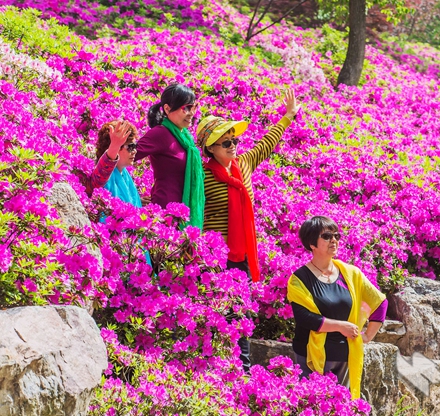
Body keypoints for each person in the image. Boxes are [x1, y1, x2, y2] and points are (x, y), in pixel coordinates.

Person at [195, 88, 300, 372]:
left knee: (238, 314)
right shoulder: (201, 173)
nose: (232, 145)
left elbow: (266, 144)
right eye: (224, 141)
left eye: (234, 140)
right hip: (215, 258)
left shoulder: (243, 165)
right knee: (220, 314)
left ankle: (241, 369)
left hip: (240, 257)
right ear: (210, 148)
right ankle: (219, 368)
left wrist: (287, 117)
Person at [287, 216, 387, 399]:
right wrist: (342, 326)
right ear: (312, 244)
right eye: (326, 236)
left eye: (336, 235)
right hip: (310, 357)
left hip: (345, 356)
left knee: (341, 407)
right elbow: (304, 318)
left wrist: (367, 336)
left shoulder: (350, 273)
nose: (334, 240)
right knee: (311, 406)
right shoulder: (299, 279)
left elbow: (380, 303)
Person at [135, 83, 205, 229]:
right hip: (164, 215)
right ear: (167, 108)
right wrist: (132, 196)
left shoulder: (186, 139)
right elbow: (125, 155)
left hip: (182, 216)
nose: (191, 113)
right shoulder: (160, 133)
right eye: (186, 108)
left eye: (194, 107)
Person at [85, 120, 142, 207]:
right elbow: (99, 180)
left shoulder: (125, 175)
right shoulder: (103, 175)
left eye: (135, 146)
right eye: (130, 147)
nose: (134, 151)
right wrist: (114, 146)